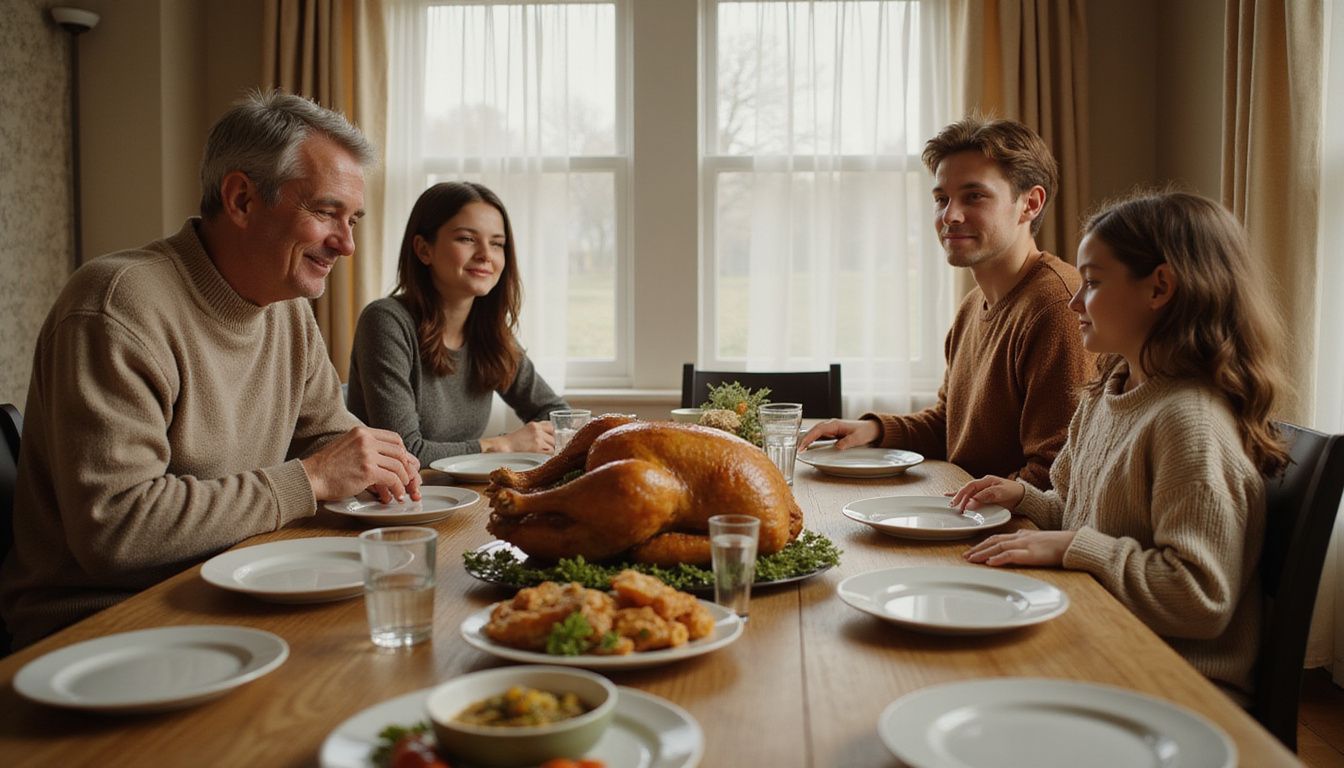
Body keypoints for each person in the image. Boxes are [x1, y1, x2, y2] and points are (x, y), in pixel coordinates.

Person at [0, 90, 421, 650]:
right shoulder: (117, 306)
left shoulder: (288, 310)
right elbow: (118, 529)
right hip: (99, 626)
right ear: (243, 199)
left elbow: (327, 437)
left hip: (228, 588)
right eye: (325, 212)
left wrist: (379, 467)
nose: (346, 243)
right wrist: (313, 479)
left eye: (353, 219)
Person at [951, 190, 1288, 699]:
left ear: (1160, 288)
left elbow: (1199, 599)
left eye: (1092, 283)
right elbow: (1073, 510)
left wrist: (1072, 547)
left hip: (1170, 680)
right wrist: (1024, 499)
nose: (1072, 301)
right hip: (1101, 638)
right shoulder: (1108, 392)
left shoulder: (1189, 423)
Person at [799, 116, 1093, 489]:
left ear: (1029, 204)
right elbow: (950, 425)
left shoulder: (1058, 309)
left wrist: (953, 510)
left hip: (1012, 533)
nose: (949, 216)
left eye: (974, 196)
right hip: (970, 512)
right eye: (941, 199)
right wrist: (874, 429)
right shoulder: (973, 306)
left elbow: (1056, 475)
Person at [348, 182, 569, 466]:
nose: (486, 255)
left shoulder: (488, 333)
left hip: (464, 495)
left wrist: (539, 437)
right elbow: (405, 453)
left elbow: (557, 413)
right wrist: (501, 445)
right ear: (423, 249)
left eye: (497, 244)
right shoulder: (385, 321)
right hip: (392, 504)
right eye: (467, 239)